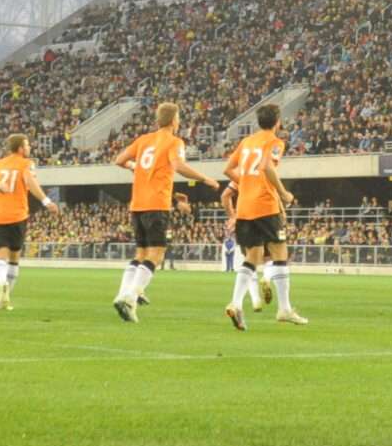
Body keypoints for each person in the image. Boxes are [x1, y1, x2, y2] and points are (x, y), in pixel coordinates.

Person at [111, 102, 219, 322]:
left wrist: (136, 167)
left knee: (140, 254)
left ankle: (122, 294)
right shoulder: (174, 141)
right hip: (156, 205)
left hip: (138, 205)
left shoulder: (143, 140)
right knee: (156, 254)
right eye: (178, 118)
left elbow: (119, 160)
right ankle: (130, 298)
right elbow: (178, 166)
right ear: (173, 120)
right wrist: (204, 178)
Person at [222, 102, 304, 330]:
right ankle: (284, 309)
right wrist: (284, 194)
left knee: (253, 257)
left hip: (244, 208)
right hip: (265, 206)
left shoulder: (246, 142)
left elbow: (228, 169)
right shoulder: (275, 142)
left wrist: (247, 183)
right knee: (280, 253)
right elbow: (268, 167)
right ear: (278, 122)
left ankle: (236, 303)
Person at [0, 134, 49, 310]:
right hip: (18, 216)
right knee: (13, 260)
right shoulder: (26, 163)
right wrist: (46, 201)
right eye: (27, 145)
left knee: (0, 258)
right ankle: (5, 298)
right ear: (20, 148)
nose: (29, 148)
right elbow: (31, 182)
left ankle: (2, 285)